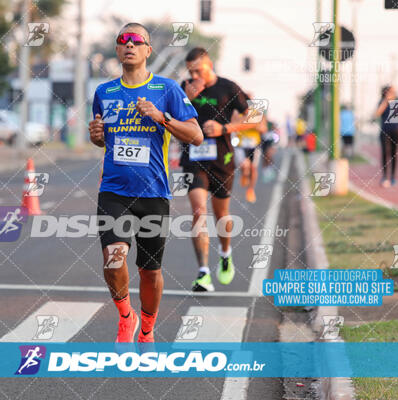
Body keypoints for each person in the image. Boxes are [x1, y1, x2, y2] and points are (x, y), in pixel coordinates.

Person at [88, 23, 202, 342]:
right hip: (114, 192)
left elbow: (196, 134)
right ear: (117, 48)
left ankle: (148, 328)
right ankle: (126, 315)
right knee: (114, 257)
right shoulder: (103, 93)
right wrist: (96, 137)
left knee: (149, 271)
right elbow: (103, 140)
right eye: (123, 40)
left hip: (154, 193)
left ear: (148, 50)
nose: (129, 45)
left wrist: (161, 117)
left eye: (136, 41)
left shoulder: (167, 90)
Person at [179, 47, 259, 292]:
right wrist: (187, 99)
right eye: (191, 71)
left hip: (222, 159)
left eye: (198, 70)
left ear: (209, 64)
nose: (195, 75)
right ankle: (203, 272)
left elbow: (255, 117)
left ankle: (225, 252)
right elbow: (172, 116)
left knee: (221, 214)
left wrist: (225, 129)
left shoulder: (229, 87)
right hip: (193, 157)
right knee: (198, 211)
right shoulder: (185, 86)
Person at [374, 85, 398, 187]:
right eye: (390, 91)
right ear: (385, 92)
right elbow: (377, 114)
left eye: (393, 91)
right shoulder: (382, 102)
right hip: (385, 131)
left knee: (394, 154)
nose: (392, 92)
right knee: (385, 153)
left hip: (397, 131)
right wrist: (386, 101)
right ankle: (384, 177)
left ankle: (393, 178)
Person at [233, 94, 268, 203]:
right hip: (241, 144)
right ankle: (244, 173)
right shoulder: (236, 111)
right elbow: (233, 125)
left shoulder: (258, 113)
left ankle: (251, 190)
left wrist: (254, 125)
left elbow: (263, 129)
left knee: (253, 168)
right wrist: (245, 122)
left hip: (254, 145)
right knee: (245, 165)